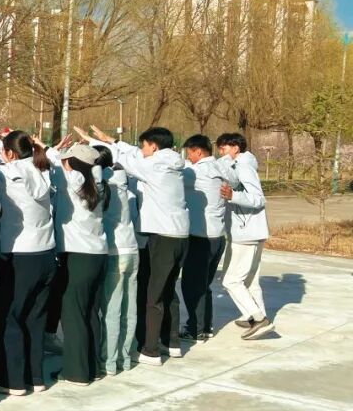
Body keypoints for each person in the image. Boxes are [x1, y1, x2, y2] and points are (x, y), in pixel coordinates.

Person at [89, 125, 189, 366]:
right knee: (168, 291)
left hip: (163, 236)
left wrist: (106, 145)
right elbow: (134, 154)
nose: (141, 149)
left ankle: (151, 350)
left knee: (153, 296)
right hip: (180, 236)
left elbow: (125, 160)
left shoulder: (155, 166)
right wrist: (112, 140)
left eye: (144, 145)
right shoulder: (172, 163)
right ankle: (172, 342)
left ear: (153, 146)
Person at [0, 129, 57, 396]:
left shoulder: (6, 174)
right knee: (35, 318)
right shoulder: (44, 171)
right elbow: (13, 154)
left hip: (20, 255)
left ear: (9, 153)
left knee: (12, 316)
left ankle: (12, 380)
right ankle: (35, 377)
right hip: (46, 254)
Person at [45, 141, 109, 385]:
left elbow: (52, 162)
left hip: (77, 255)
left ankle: (76, 372)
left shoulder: (72, 182)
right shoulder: (98, 182)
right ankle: (93, 366)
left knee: (72, 314)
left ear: (71, 164)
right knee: (90, 312)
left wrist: (47, 148)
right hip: (97, 254)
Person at [86, 140, 139, 375]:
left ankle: (108, 361)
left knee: (112, 310)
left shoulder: (98, 184)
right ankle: (125, 359)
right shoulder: (122, 180)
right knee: (130, 309)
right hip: (132, 249)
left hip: (113, 251)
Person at [216, 133, 274, 339]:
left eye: (223, 149)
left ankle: (259, 319)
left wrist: (233, 196)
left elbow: (258, 199)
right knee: (250, 280)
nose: (221, 153)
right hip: (251, 231)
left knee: (231, 281)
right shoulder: (242, 164)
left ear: (235, 148)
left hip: (246, 232)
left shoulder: (243, 166)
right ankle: (255, 315)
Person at [181, 134, 234, 343]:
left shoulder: (197, 172)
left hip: (200, 237)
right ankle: (205, 326)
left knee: (192, 285)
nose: (188, 157)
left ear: (199, 151)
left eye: (189, 153)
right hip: (218, 237)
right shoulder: (222, 169)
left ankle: (196, 329)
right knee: (203, 284)